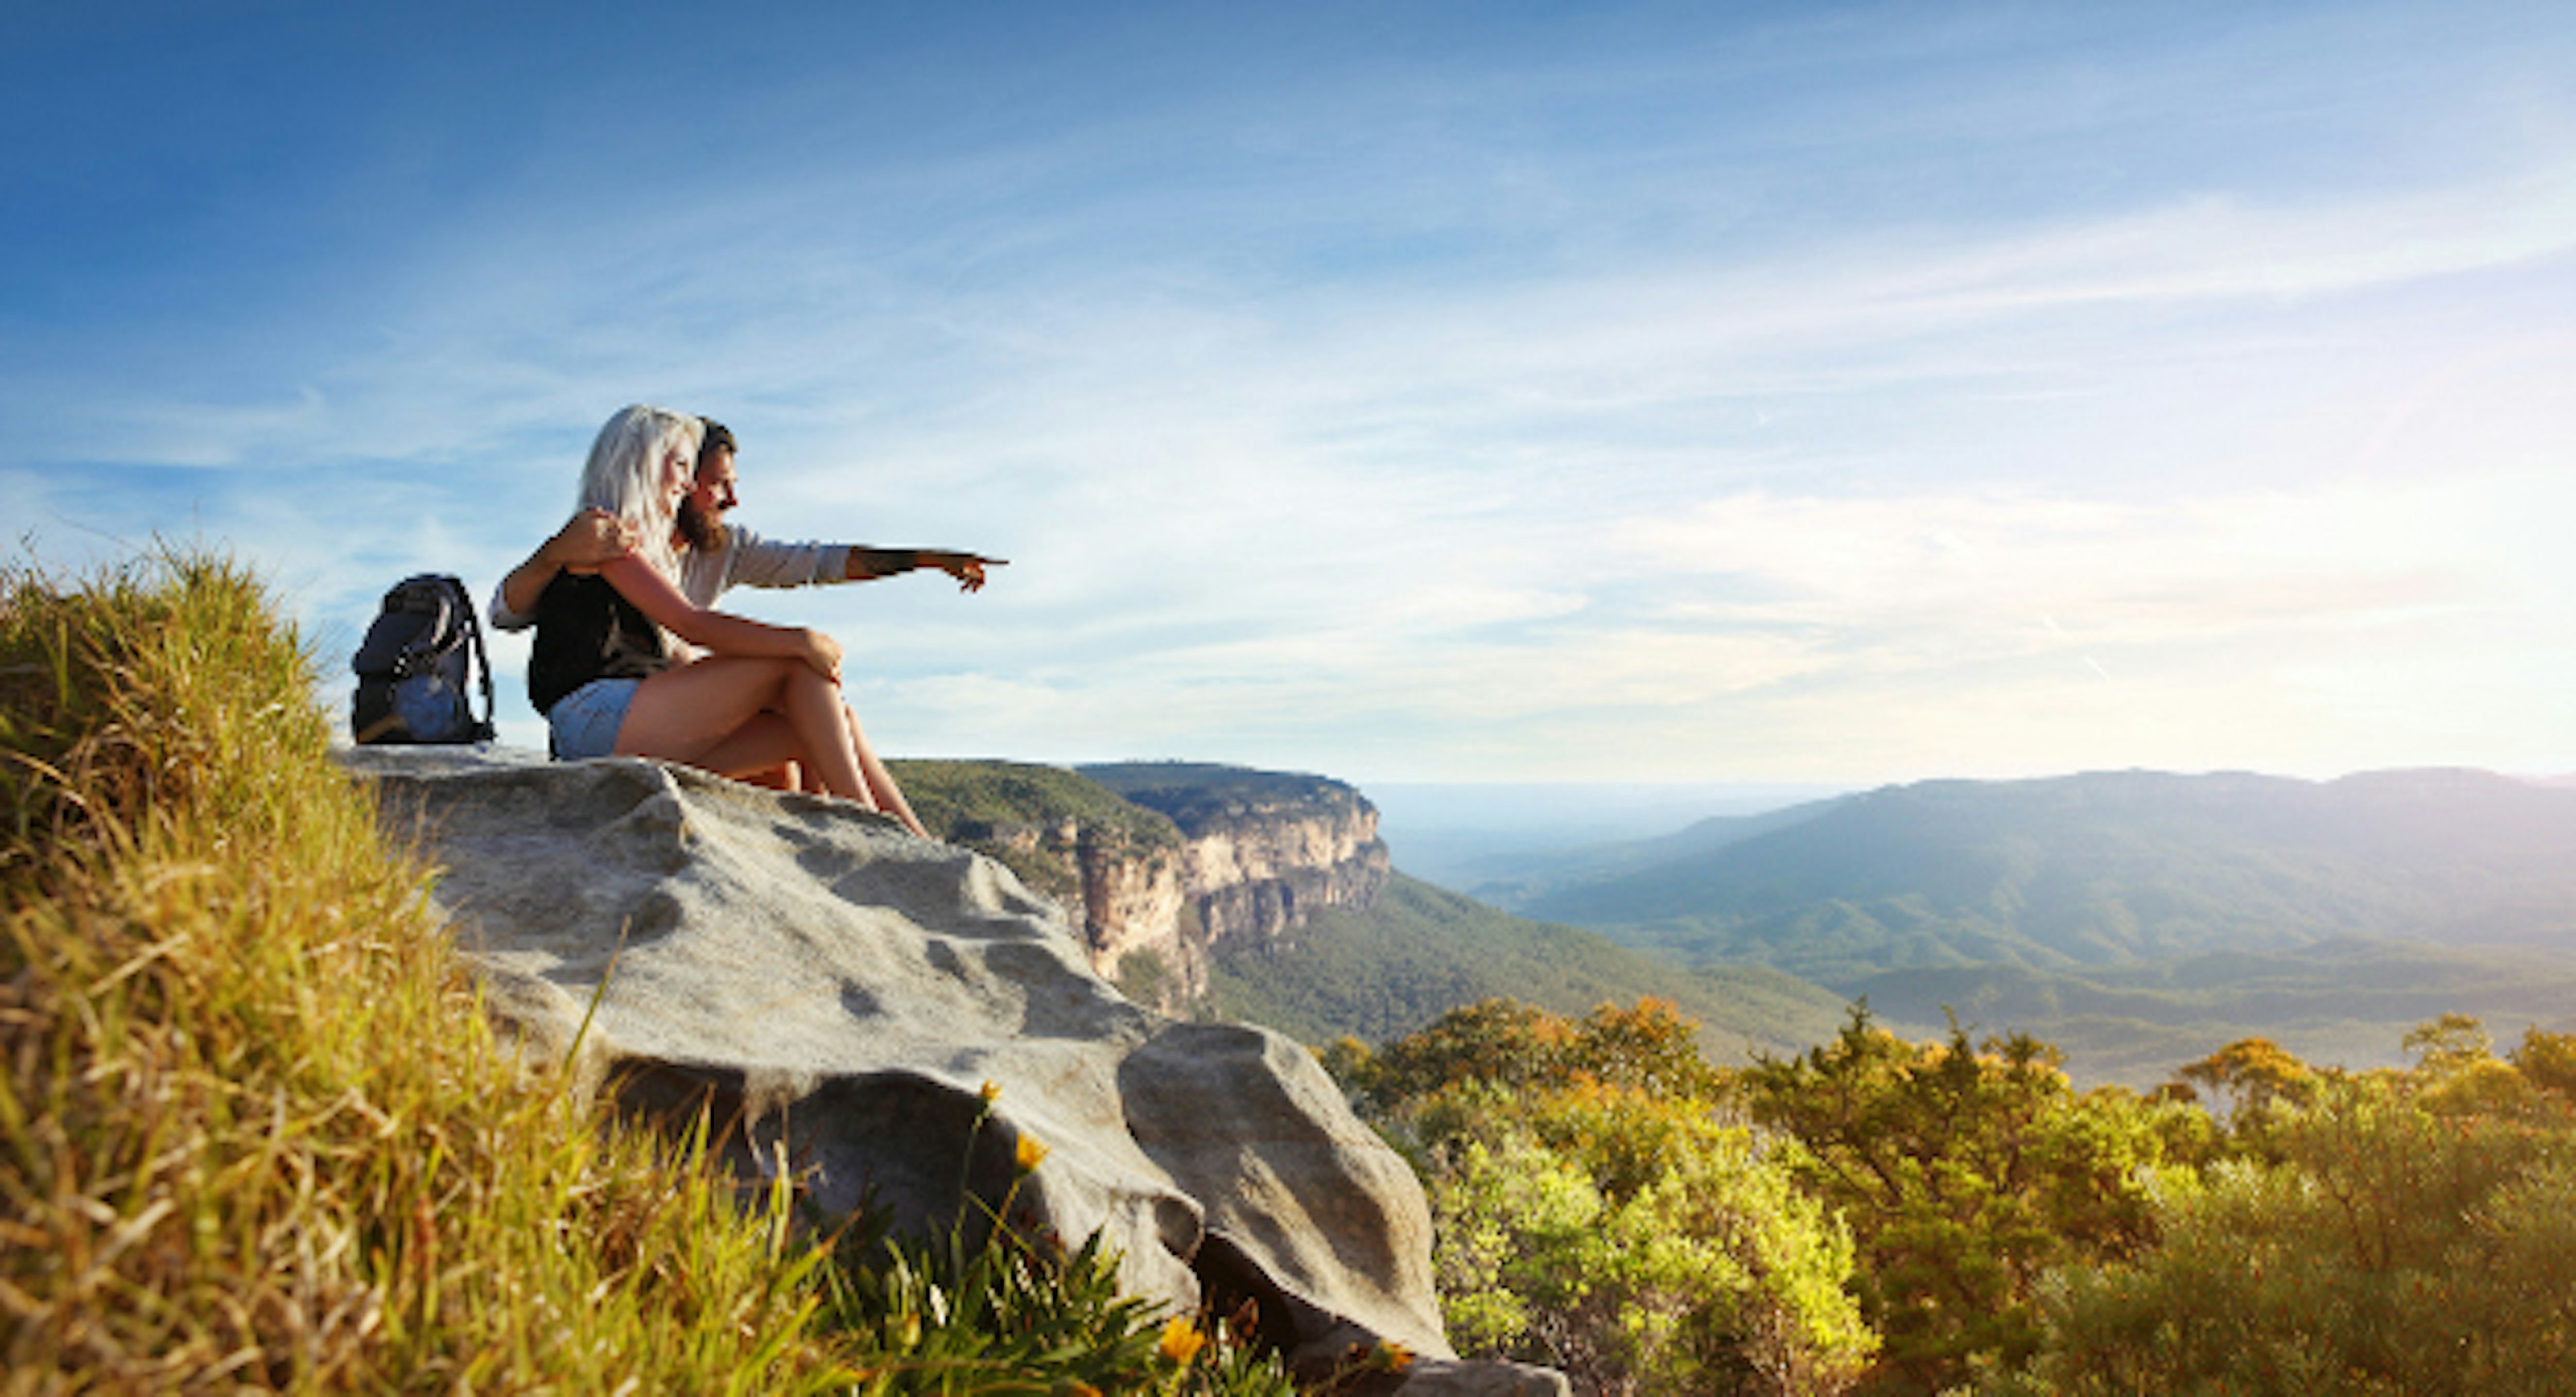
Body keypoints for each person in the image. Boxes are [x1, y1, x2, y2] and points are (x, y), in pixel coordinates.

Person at [496, 414, 1004, 809]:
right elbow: (690, 623)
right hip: (601, 720)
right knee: (792, 666)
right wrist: (800, 642)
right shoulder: (605, 535)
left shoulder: (713, 548)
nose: (731, 498)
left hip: (643, 716)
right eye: (709, 480)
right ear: (656, 467)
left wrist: (927, 559)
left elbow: (817, 561)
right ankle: (869, 823)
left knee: (822, 726)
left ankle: (905, 841)